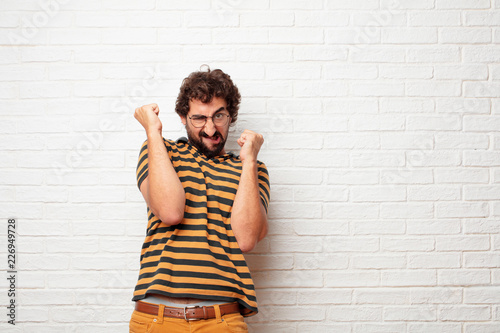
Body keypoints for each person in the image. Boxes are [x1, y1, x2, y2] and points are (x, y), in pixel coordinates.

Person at [129, 67, 270, 332]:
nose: (210, 128)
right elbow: (170, 211)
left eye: (219, 116)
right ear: (183, 117)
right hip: (156, 319)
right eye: (198, 118)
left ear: (231, 115)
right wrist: (152, 130)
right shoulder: (161, 151)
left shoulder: (252, 169)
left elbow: (247, 238)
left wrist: (249, 160)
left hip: (222, 320)